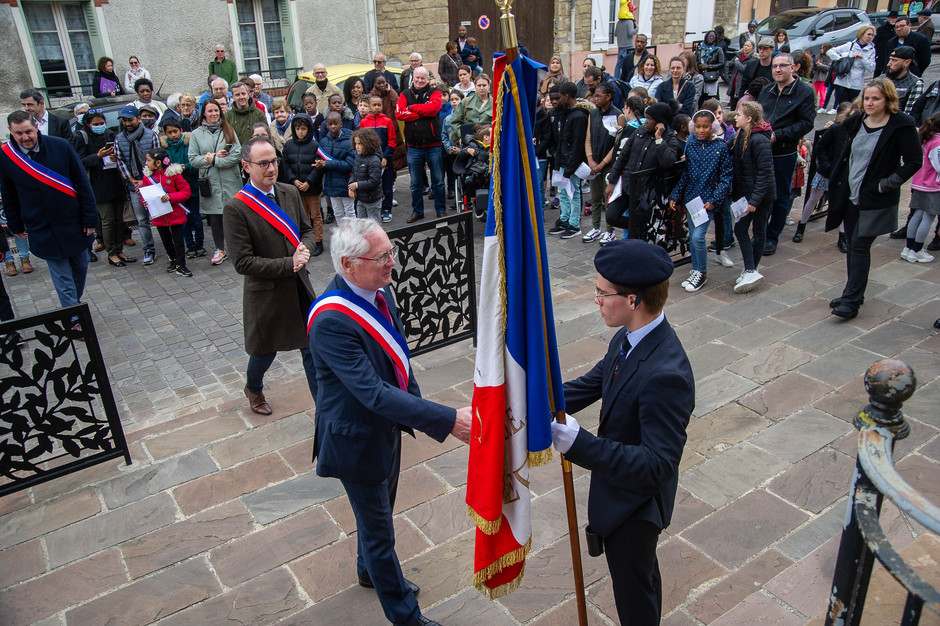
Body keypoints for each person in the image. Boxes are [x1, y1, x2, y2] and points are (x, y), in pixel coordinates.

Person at [308, 217, 471, 626]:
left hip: (385, 428)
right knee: (381, 532)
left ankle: (368, 572)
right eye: (381, 257)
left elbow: (398, 360)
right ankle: (407, 617)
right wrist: (447, 419)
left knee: (380, 511)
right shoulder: (332, 319)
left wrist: (414, 406)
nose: (392, 263)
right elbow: (372, 393)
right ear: (348, 264)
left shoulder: (378, 292)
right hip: (355, 439)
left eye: (391, 253)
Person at [550, 238, 694, 626]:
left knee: (634, 600)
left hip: (636, 508)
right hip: (619, 494)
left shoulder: (666, 375)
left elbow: (657, 464)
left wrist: (580, 444)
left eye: (602, 292)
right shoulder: (628, 337)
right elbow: (592, 383)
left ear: (633, 299)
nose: (596, 299)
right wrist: (537, 400)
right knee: (641, 580)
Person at [224, 135, 317, 414]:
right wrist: (288, 263)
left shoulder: (289, 192)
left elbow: (308, 230)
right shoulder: (236, 208)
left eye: (273, 161)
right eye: (262, 163)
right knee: (265, 351)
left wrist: (305, 249)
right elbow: (243, 262)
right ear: (246, 166)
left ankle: (325, 408)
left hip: (299, 286)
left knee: (311, 348)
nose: (271, 168)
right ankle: (253, 387)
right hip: (267, 293)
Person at [826, 78, 921, 320]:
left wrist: (886, 184)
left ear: (888, 100)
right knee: (851, 246)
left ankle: (851, 302)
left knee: (859, 246)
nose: (869, 103)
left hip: (875, 199)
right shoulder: (857, 120)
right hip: (851, 196)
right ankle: (853, 293)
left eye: (875, 98)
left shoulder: (902, 125)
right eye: (866, 98)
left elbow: (914, 161)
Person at [0, 111, 97, 317]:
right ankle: (73, 316)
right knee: (62, 276)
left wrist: (89, 218)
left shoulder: (60, 146)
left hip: (73, 221)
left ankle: (74, 303)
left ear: (36, 127)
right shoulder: (6, 156)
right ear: (10, 131)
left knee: (81, 266)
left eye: (28, 132)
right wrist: (15, 225)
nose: (25, 138)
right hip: (41, 226)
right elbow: (8, 193)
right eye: (19, 134)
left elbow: (83, 183)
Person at [757, 52, 816, 256]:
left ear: (793, 68)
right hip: (762, 150)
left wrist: (778, 135)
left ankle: (772, 236)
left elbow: (806, 123)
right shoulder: (766, 90)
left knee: (781, 195)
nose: (778, 69)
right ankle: (761, 232)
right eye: (774, 66)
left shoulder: (804, 92)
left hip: (784, 151)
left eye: (782, 65)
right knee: (761, 193)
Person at [669, 109, 733, 293]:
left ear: (713, 127)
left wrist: (714, 199)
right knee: (693, 238)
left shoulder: (720, 147)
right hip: (691, 198)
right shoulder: (691, 143)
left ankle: (702, 272)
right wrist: (675, 194)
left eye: (705, 126)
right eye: (698, 126)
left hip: (707, 201)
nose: (701, 130)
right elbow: (686, 172)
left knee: (698, 238)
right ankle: (696, 270)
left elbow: (726, 177)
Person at [73, 109, 133, 268]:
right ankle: (111, 252)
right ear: (87, 124)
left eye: (102, 123)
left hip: (115, 181)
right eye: (96, 124)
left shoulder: (110, 134)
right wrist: (98, 156)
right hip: (98, 184)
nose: (100, 126)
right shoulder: (82, 137)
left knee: (120, 219)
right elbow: (79, 162)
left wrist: (114, 155)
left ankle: (119, 249)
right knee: (108, 220)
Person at [189, 98, 242, 266]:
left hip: (230, 181)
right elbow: (193, 159)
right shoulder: (196, 134)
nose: (213, 114)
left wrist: (214, 161)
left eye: (216, 110)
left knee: (234, 215)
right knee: (216, 218)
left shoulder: (228, 130)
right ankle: (220, 249)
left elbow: (236, 155)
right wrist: (211, 157)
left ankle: (238, 248)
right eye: (210, 111)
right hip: (210, 182)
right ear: (203, 113)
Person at [730, 101, 775, 293]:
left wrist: (755, 201)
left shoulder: (759, 140)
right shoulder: (740, 134)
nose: (735, 117)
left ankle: (750, 269)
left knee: (749, 230)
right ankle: (751, 269)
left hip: (759, 197)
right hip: (747, 194)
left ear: (749, 118)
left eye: (739, 114)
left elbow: (766, 173)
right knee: (745, 230)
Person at [794, 103, 852, 248]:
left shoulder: (856, 130)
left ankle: (842, 236)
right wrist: (826, 166)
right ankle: (801, 227)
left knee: (843, 204)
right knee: (814, 198)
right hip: (827, 171)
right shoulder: (835, 129)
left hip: (844, 173)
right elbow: (821, 146)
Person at [396, 67, 447, 222]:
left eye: (423, 78)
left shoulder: (435, 93)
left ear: (427, 79)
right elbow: (399, 113)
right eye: (417, 78)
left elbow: (433, 109)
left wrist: (411, 109)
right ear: (413, 77)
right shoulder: (405, 94)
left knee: (438, 181)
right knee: (415, 183)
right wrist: (421, 112)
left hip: (433, 145)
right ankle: (417, 211)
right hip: (413, 147)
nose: (420, 81)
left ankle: (441, 210)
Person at [113, 104, 159, 265]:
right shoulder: (119, 138)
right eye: (124, 120)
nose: (127, 123)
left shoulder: (150, 135)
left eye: (130, 120)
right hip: (134, 186)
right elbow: (120, 161)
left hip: (151, 182)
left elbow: (156, 157)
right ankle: (149, 249)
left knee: (159, 216)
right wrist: (132, 180)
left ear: (138, 119)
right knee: (141, 219)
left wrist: (145, 179)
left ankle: (170, 247)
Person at [139, 148, 192, 276]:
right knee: (165, 239)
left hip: (175, 214)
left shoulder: (174, 175)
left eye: (149, 160)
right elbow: (144, 194)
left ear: (158, 163)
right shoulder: (148, 177)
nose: (146, 163)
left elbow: (186, 192)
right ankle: (173, 259)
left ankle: (181, 264)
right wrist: (144, 202)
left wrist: (171, 197)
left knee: (178, 240)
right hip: (159, 215)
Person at [548, 82, 590, 240]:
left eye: (559, 97)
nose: (557, 100)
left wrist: (571, 167)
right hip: (562, 161)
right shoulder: (564, 114)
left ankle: (574, 224)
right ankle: (565, 219)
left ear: (566, 96)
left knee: (574, 192)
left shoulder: (578, 116)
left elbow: (577, 144)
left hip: (572, 163)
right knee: (563, 192)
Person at [160, 117, 204, 259]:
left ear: (180, 131)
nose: (173, 135)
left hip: (192, 186)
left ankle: (200, 244)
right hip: (176, 191)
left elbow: (196, 162)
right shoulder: (166, 149)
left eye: (175, 131)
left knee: (196, 217)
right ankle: (189, 245)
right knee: (183, 219)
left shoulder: (188, 144)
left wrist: (185, 167)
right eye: (169, 132)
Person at [583, 83, 621, 243]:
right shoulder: (593, 114)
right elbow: (588, 139)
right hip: (594, 163)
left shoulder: (618, 115)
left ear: (608, 96)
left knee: (608, 198)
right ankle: (595, 227)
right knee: (595, 196)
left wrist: (603, 163)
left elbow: (617, 144)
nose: (595, 99)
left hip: (608, 164)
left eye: (599, 96)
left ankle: (609, 230)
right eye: (594, 96)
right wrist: (590, 159)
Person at [282, 113, 325, 256]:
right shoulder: (288, 145)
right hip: (296, 188)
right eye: (298, 129)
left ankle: (318, 241)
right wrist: (293, 180)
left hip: (311, 188)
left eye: (303, 129)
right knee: (302, 217)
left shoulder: (314, 145)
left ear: (309, 129)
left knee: (315, 216)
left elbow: (318, 167)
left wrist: (309, 182)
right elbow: (285, 165)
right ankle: (306, 242)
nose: (300, 132)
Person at [901, 111, 940, 264]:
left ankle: (909, 248)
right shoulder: (937, 143)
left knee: (917, 215)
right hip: (932, 187)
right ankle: (916, 250)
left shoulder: (926, 139)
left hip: (920, 184)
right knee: (928, 218)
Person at [360, 94, 398, 222]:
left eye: (379, 105)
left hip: (385, 159)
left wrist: (386, 157)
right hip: (370, 160)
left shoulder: (387, 121)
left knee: (387, 185)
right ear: (369, 106)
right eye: (374, 105)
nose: (377, 107)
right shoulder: (364, 122)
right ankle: (375, 208)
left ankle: (387, 209)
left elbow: (392, 141)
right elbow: (362, 141)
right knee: (373, 184)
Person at [315, 111, 356, 222]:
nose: (333, 126)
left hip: (346, 183)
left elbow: (349, 165)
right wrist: (319, 165)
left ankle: (353, 237)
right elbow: (320, 161)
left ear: (341, 124)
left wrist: (327, 164)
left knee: (350, 213)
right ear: (326, 125)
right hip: (331, 184)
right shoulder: (323, 142)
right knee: (338, 214)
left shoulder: (350, 141)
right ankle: (341, 238)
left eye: (335, 123)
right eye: (330, 124)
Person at [827, 26, 876, 107]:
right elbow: (830, 52)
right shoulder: (850, 45)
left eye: (872, 35)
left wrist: (862, 58)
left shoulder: (871, 50)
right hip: (842, 80)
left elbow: (871, 68)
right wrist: (844, 59)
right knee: (842, 107)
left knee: (852, 107)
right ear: (861, 34)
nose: (870, 37)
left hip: (856, 83)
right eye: (868, 34)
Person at [349, 128, 384, 222]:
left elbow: (374, 181)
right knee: (361, 225)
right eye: (356, 143)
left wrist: (356, 185)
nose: (357, 147)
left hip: (372, 200)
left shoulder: (374, 160)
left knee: (373, 226)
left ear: (368, 143)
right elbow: (354, 174)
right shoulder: (358, 157)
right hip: (361, 199)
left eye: (360, 144)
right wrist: (351, 187)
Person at [449, 74, 493, 145]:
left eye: (484, 85)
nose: (481, 88)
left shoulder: (495, 104)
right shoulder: (466, 102)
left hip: (488, 143)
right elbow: (455, 122)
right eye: (479, 85)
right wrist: (461, 135)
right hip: (469, 142)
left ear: (489, 85)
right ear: (475, 86)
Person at [885, 46, 924, 116]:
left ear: (907, 62)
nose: (889, 64)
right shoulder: (880, 79)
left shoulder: (915, 83)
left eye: (894, 60)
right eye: (890, 60)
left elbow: (909, 114)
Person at [697, 30, 725, 105]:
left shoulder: (718, 50)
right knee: (700, 97)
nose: (711, 38)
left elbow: (722, 63)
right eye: (710, 36)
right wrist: (699, 66)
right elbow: (696, 60)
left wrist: (709, 66)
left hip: (711, 77)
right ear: (706, 37)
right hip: (701, 76)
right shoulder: (700, 49)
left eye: (713, 37)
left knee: (711, 99)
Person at [614, 0, 639, 81]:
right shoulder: (629, 22)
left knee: (618, 65)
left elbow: (615, 34)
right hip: (628, 46)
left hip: (620, 46)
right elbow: (631, 33)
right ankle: (626, 79)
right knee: (628, 64)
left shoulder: (618, 23)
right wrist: (637, 28)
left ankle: (616, 79)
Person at [729, 40, 755, 111]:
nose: (745, 47)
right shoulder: (738, 55)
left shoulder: (753, 59)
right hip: (733, 86)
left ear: (752, 48)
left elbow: (743, 69)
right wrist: (728, 76)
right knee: (732, 108)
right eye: (745, 45)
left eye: (748, 46)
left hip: (742, 88)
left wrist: (737, 62)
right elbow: (728, 64)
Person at [874, 11, 899, 78]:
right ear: (888, 18)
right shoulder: (881, 30)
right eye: (892, 18)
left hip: (892, 55)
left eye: (895, 18)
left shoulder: (897, 30)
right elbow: (875, 43)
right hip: (881, 55)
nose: (893, 20)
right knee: (877, 74)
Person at [812, 44, 833, 113]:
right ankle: (813, 104)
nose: (821, 50)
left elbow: (829, 68)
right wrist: (816, 65)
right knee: (814, 92)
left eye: (823, 48)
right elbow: (814, 67)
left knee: (822, 92)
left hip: (823, 78)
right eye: (820, 48)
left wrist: (821, 65)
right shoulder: (818, 56)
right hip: (816, 77)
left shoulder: (829, 58)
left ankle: (822, 105)